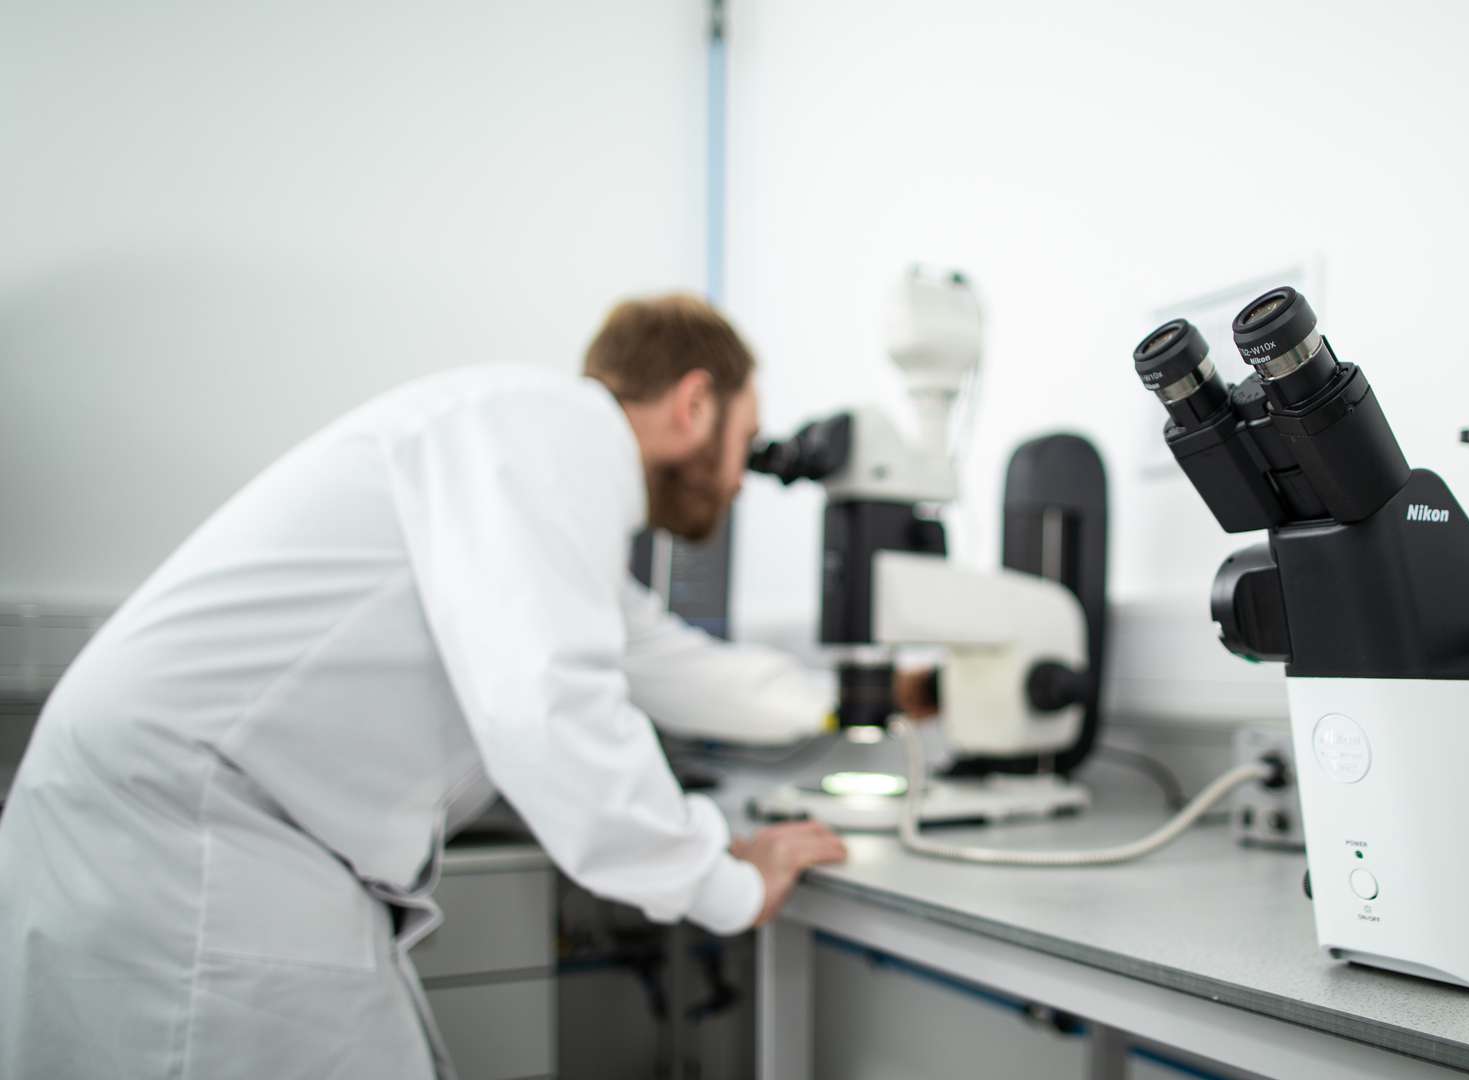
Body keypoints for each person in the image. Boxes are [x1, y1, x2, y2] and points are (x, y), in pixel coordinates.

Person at [0, 295, 866, 1079]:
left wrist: (860, 697)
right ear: (694, 403)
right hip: (193, 839)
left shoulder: (523, 447)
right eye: (745, 444)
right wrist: (723, 878)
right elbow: (550, 706)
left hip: (206, 825)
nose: (745, 479)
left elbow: (662, 661)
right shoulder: (556, 434)